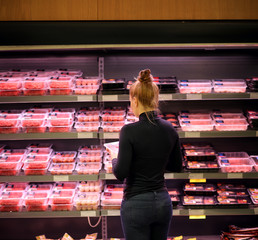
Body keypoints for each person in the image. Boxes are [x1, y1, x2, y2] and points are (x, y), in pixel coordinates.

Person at [112, 69, 182, 240]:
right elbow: (176, 166)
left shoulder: (128, 131)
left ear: (135, 100)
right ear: (155, 99)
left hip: (136, 205)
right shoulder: (169, 128)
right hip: (163, 203)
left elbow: (120, 173)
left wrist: (114, 157)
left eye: (130, 101)